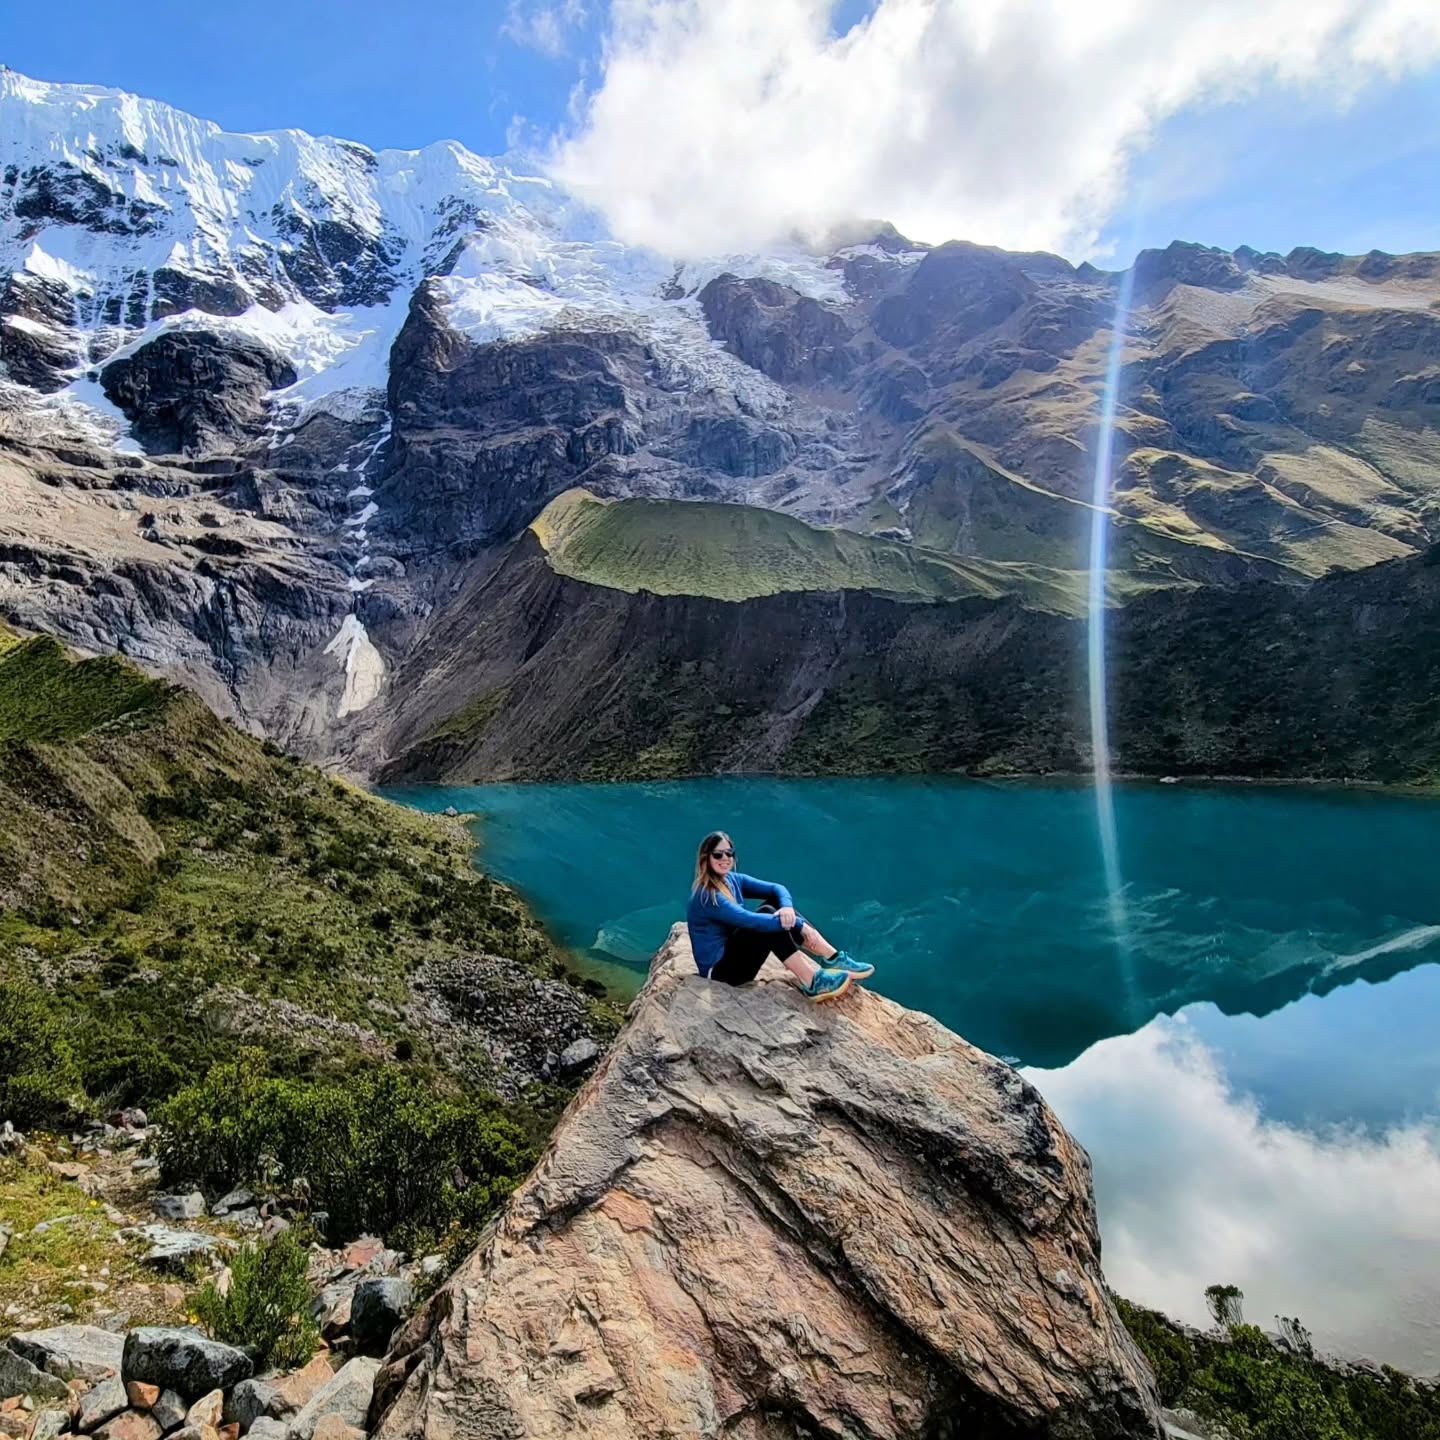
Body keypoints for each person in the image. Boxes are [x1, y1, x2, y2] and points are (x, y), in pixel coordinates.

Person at [685, 830, 874, 1001]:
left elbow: (777, 889)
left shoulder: (732, 879)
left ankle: (833, 958)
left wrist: (787, 908)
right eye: (718, 854)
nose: (725, 858)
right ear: (706, 858)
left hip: (735, 960)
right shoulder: (707, 895)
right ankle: (812, 982)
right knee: (768, 916)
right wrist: (799, 925)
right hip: (721, 973)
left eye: (729, 853)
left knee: (776, 906)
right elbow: (748, 920)